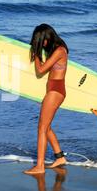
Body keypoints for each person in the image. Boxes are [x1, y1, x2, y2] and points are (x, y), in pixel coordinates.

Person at [24, 24, 69, 175]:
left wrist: (36, 54)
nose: (41, 44)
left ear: (47, 37)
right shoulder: (56, 50)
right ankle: (60, 157)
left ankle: (39, 166)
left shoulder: (59, 50)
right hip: (52, 90)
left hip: (56, 91)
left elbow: (41, 70)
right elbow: (45, 70)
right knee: (47, 127)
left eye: (40, 41)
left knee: (41, 128)